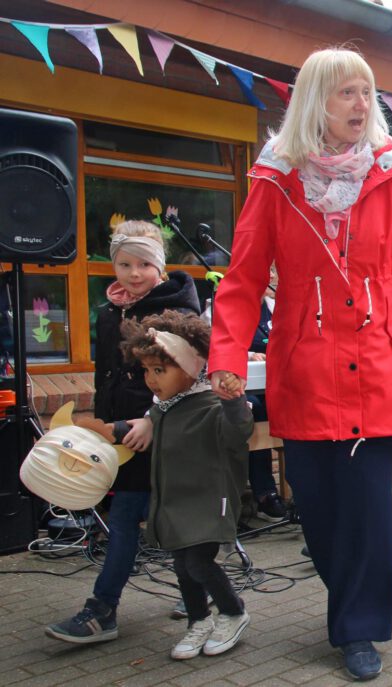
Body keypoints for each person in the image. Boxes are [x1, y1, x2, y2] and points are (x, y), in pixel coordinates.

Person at [207, 47, 392, 681]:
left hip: (380, 360)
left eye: (367, 92)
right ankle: (345, 589)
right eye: (346, 92)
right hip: (306, 364)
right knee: (318, 509)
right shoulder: (276, 178)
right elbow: (241, 278)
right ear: (315, 101)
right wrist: (227, 355)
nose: (361, 105)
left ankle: (358, 628)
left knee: (371, 510)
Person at [46, 220, 200, 645]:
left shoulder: (177, 312)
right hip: (124, 438)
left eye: (144, 264)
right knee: (127, 517)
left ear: (161, 266)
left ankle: (198, 589)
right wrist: (102, 426)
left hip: (166, 434)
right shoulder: (109, 313)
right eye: (124, 263)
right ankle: (104, 610)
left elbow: (188, 378)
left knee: (179, 520)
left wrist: (154, 419)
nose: (134, 273)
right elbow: (106, 377)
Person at [120, 311, 252, 659]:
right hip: (175, 501)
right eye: (146, 370)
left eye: (159, 370)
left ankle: (234, 612)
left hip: (209, 500)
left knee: (198, 563)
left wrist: (235, 402)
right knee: (182, 565)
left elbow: (238, 434)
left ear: (191, 367)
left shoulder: (210, 406)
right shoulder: (164, 408)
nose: (150, 379)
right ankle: (198, 620)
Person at [245, 264, 288, 521]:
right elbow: (211, 346)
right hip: (243, 387)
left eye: (273, 270)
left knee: (292, 407)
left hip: (273, 383)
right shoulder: (226, 307)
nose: (270, 275)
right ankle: (264, 493)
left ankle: (302, 491)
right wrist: (249, 354)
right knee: (252, 410)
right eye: (266, 268)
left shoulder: (275, 308)